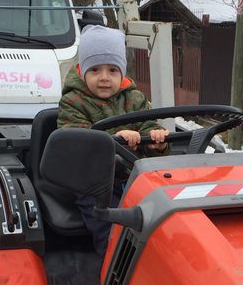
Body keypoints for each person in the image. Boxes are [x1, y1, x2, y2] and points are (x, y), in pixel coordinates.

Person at [58, 24, 168, 256]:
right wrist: (114, 140)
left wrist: (157, 140)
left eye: (112, 70)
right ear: (82, 71)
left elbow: (147, 124)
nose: (104, 78)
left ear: (122, 72)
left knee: (164, 219)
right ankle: (110, 267)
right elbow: (77, 143)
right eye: (95, 70)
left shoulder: (135, 98)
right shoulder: (72, 102)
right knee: (111, 230)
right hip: (93, 183)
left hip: (134, 178)